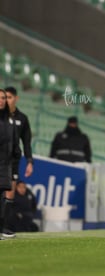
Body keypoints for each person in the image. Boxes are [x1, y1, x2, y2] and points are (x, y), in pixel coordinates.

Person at [2, 86, 34, 238]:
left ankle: (4, 227)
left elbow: (26, 142)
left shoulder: (22, 118)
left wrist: (29, 160)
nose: (6, 100)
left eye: (8, 97)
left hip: (13, 160)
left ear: (16, 98)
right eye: (4, 97)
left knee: (10, 192)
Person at [0, 89, 20, 240]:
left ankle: (1, 229)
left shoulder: (9, 120)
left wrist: (15, 158)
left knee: (2, 197)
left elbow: (14, 144)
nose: (1, 100)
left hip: (5, 164)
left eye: (3, 98)